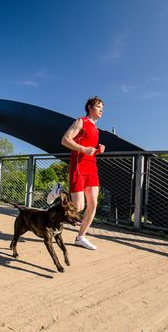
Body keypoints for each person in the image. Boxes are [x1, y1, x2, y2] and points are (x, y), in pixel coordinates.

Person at [60, 96, 105, 250]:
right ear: (90, 108)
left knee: (93, 203)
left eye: (102, 108)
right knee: (78, 207)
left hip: (91, 167)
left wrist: (97, 150)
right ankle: (59, 191)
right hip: (78, 167)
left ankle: (81, 237)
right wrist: (83, 149)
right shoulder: (81, 122)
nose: (102, 110)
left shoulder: (96, 129)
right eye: (99, 107)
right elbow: (65, 140)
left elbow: (88, 149)